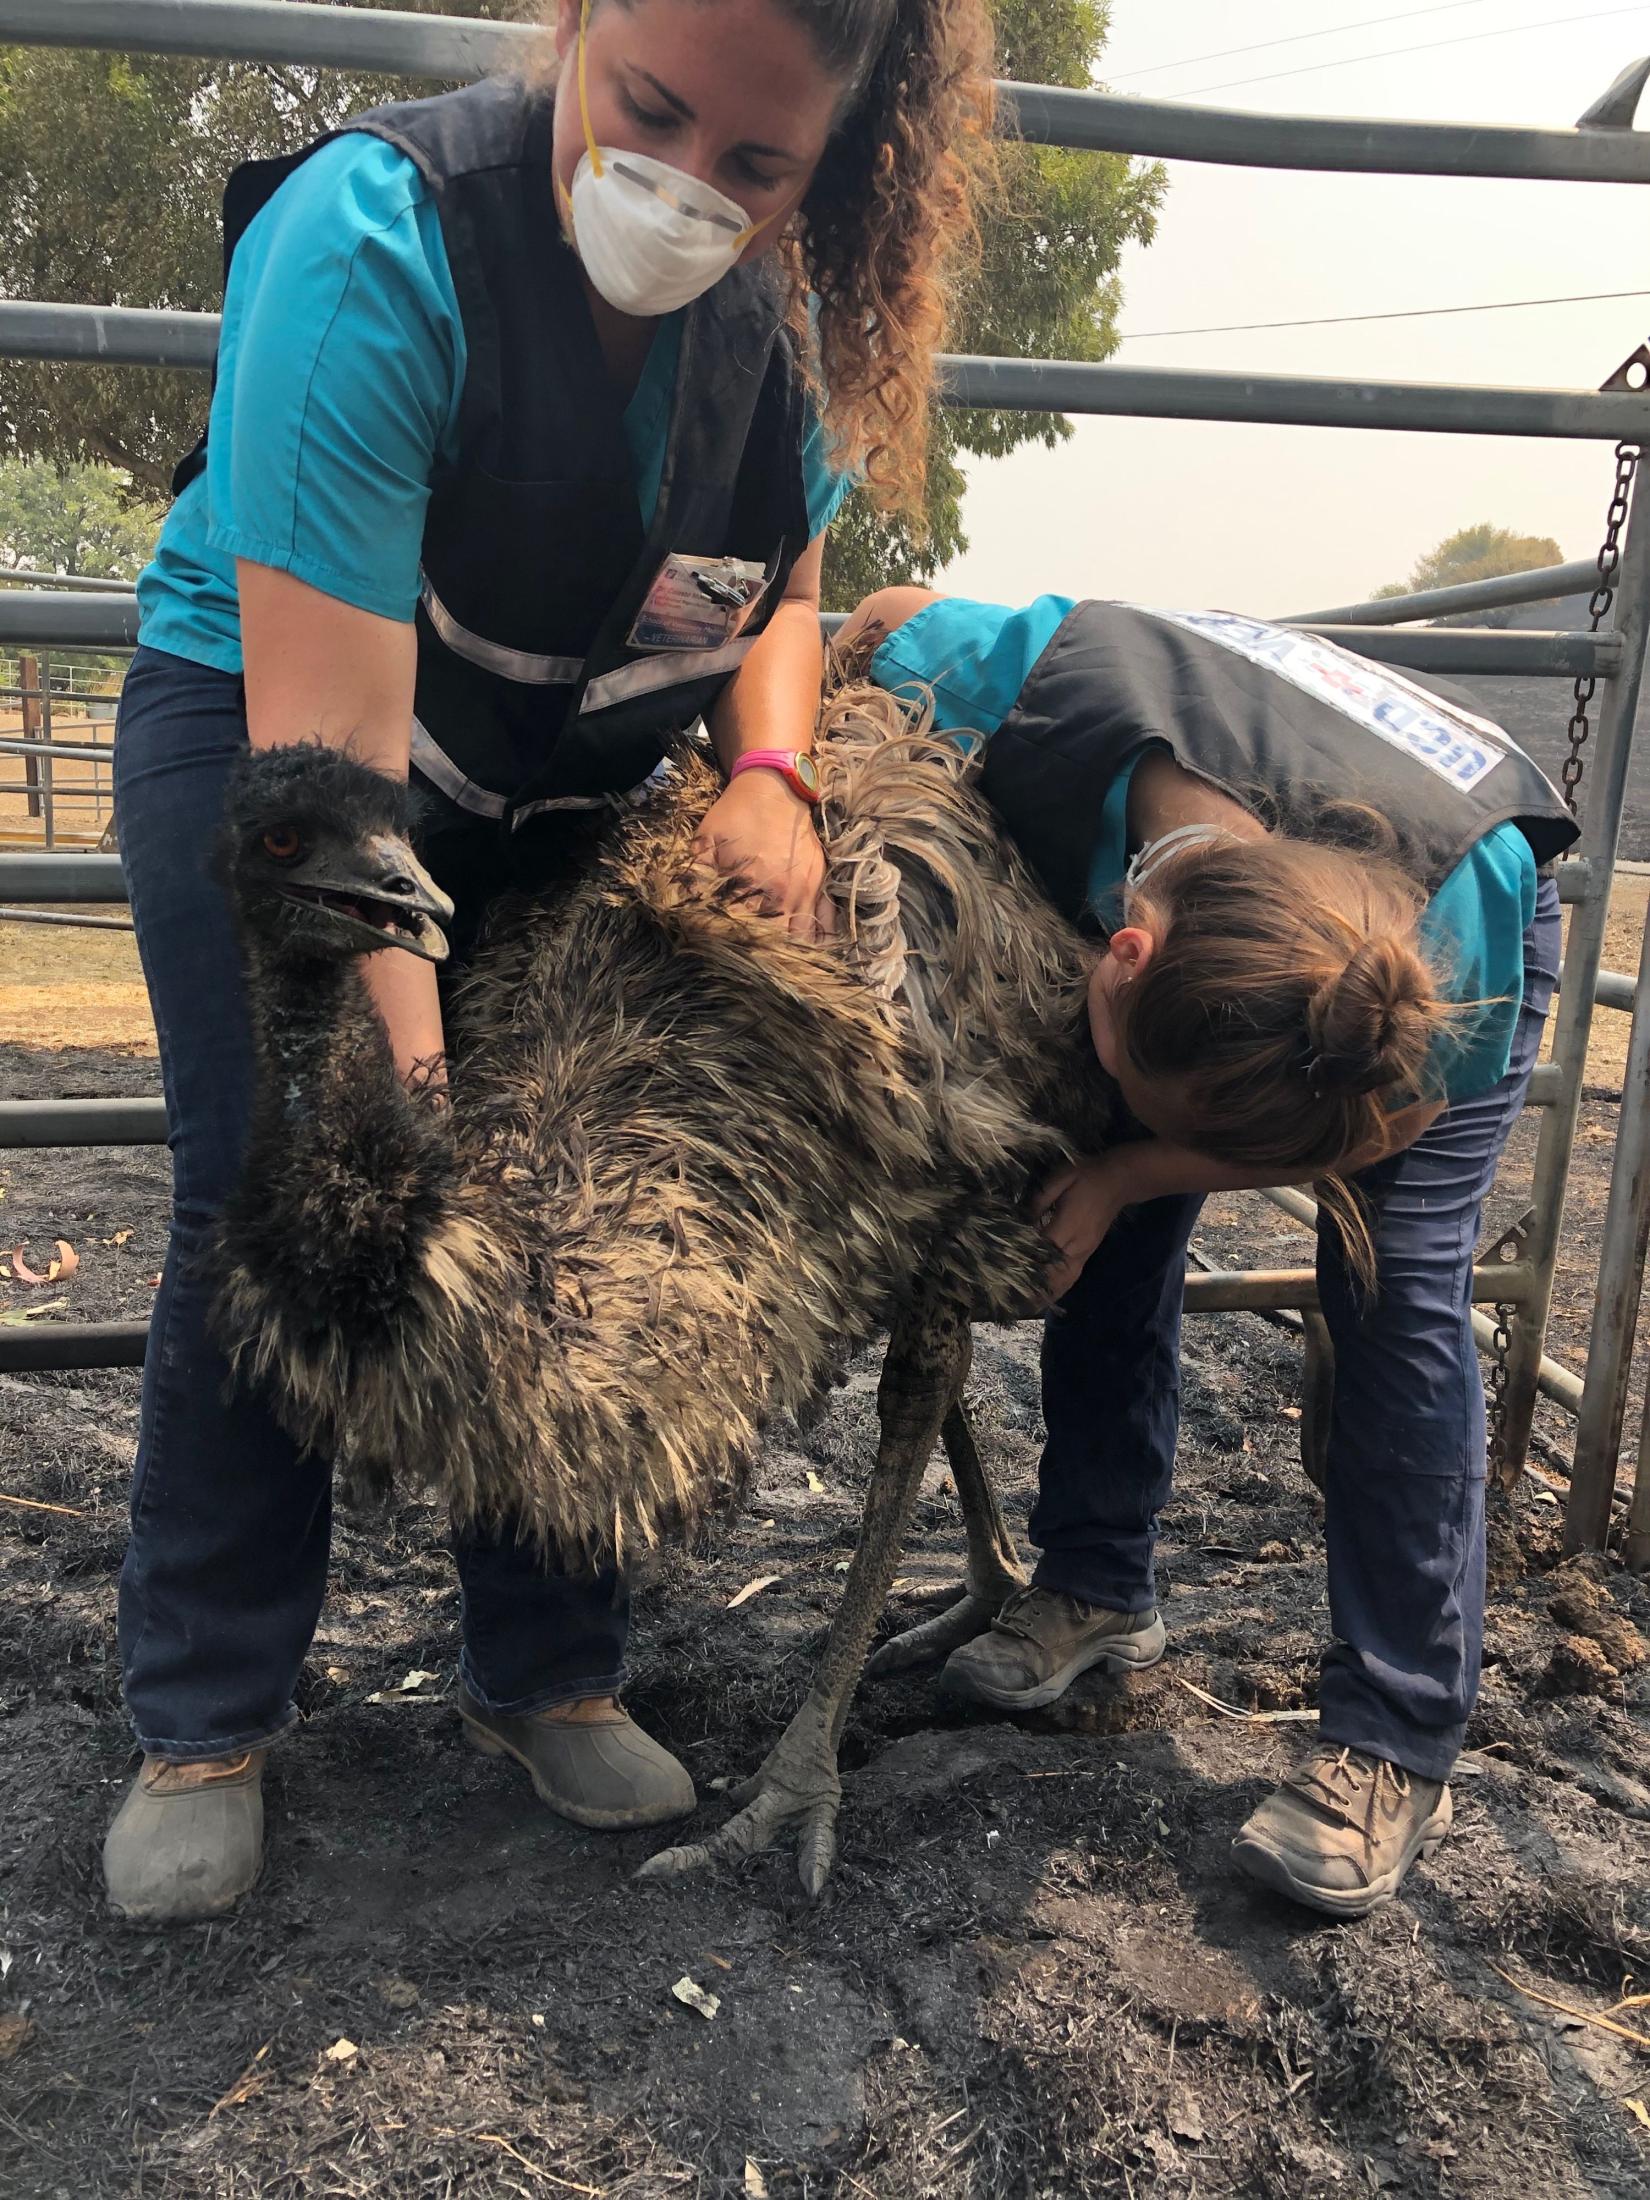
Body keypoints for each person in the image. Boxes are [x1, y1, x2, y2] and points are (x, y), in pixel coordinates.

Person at [105, 0, 994, 1923]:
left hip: (552, 769)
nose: (686, 187)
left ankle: (546, 1665)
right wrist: (409, 1115)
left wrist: (769, 771)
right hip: (283, 741)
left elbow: (786, 584)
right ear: (577, 22)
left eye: (756, 166)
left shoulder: (781, 324)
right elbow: (338, 777)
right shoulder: (373, 242)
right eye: (649, 108)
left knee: (555, 1200)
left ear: (827, 169)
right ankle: (207, 1710)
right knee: (296, 1177)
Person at [841, 586, 1574, 1917]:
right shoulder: (1030, 688)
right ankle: (1096, 1585)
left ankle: (1396, 1735)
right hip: (1255, 777)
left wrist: (1136, 1164)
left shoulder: (1433, 965)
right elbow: (878, 614)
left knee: (1393, 1288)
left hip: (1471, 856)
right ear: (1121, 952)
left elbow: (1377, 1129)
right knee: (1106, 1230)